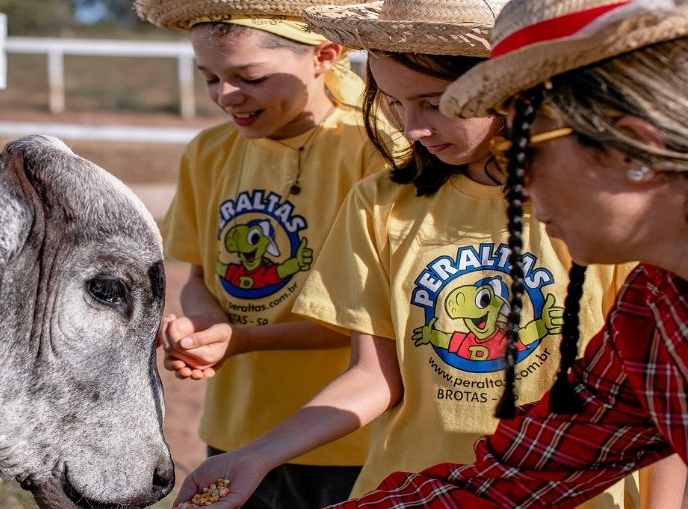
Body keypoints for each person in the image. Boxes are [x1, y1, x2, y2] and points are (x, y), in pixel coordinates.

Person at [169, 1, 682, 507]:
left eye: (434, 103)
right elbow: (506, 468)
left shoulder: (623, 257)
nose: (411, 128)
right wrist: (259, 454)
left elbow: (621, 424)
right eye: (393, 103)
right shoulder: (383, 200)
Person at [331, 0, 688, 507]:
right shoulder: (651, 308)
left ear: (630, 148)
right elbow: (519, 476)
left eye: (524, 151)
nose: (515, 183)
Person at [132, 0, 401, 506]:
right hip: (238, 430)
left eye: (250, 76)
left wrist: (243, 339)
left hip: (350, 438)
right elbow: (200, 277)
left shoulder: (376, 150)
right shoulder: (208, 152)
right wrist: (205, 329)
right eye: (210, 77)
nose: (227, 95)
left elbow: (377, 321)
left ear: (324, 55)